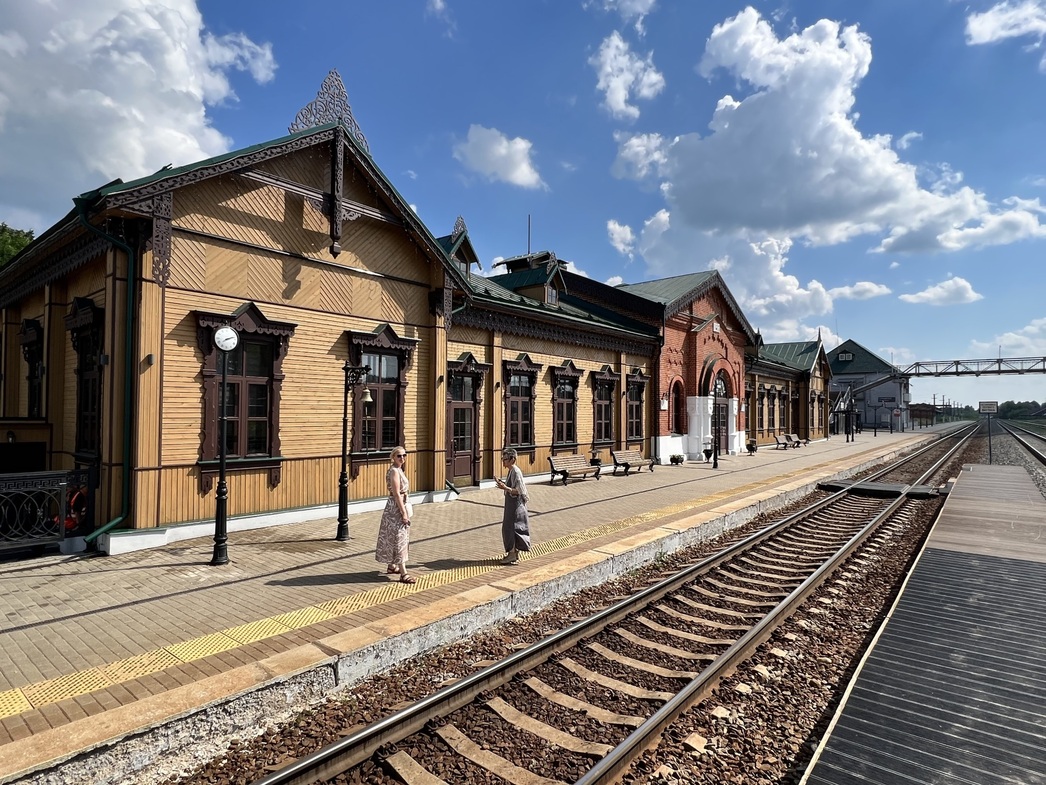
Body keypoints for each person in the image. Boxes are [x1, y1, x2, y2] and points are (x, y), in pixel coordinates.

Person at [376, 446, 415, 583]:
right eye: (399, 456)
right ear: (393, 457)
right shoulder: (394, 471)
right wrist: (403, 512)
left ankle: (392, 566)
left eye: (404, 455)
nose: (402, 458)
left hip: (401, 504)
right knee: (400, 539)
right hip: (395, 508)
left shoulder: (399, 469)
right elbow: (396, 493)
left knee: (396, 537)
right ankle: (403, 573)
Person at [493, 448, 531, 564]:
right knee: (511, 528)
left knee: (511, 528)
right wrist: (502, 483)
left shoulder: (516, 471)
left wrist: (505, 488)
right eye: (502, 459)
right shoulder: (511, 471)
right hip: (511, 504)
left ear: (512, 460)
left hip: (516, 505)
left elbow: (519, 491)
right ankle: (514, 553)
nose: (503, 462)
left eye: (505, 459)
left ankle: (512, 554)